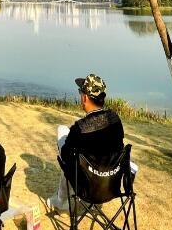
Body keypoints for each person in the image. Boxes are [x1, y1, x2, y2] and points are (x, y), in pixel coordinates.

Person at [47, 74, 124, 211]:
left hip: (87, 189)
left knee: (63, 134)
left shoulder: (80, 128)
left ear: (85, 97)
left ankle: (61, 200)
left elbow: (65, 155)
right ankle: (62, 199)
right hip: (111, 185)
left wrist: (69, 136)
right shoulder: (115, 119)